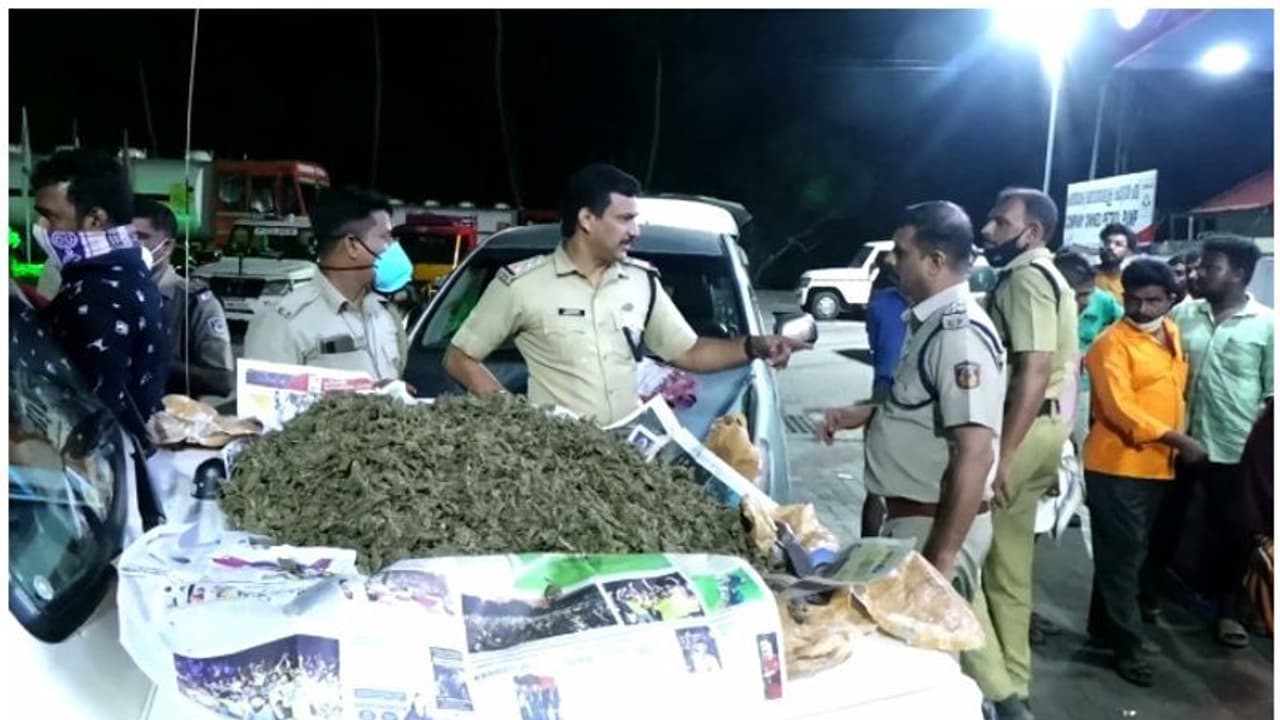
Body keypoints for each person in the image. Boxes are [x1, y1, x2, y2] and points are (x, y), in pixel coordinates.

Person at [444, 163, 808, 425]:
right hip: (555, 463)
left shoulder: (640, 282)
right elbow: (460, 358)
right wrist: (517, 419)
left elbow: (690, 352)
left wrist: (753, 347)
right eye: (624, 219)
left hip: (623, 462)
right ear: (587, 220)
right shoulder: (522, 285)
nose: (635, 231)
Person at [820, 201, 1005, 603]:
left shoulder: (960, 335)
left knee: (926, 652)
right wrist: (866, 413)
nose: (890, 259)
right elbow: (924, 406)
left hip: (932, 530)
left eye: (901, 252)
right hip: (913, 522)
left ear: (935, 261)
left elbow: (975, 453)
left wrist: (942, 557)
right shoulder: (930, 323)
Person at [966, 187, 1077, 720]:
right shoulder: (1054, 277)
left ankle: (1001, 691)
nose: (988, 231)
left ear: (1031, 233)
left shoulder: (1026, 279)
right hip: (1047, 427)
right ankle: (1016, 684)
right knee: (1012, 565)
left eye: (999, 221)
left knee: (973, 561)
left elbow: (1032, 369)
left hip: (1023, 428)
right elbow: (1066, 369)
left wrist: (1003, 455)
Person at [1142, 235, 1273, 648]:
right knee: (1163, 522)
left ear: (1237, 274)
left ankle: (1227, 610)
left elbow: (1272, 395)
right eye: (1199, 266)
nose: (1198, 274)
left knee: (1230, 532)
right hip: (1177, 441)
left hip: (1233, 448)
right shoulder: (1183, 314)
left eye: (1210, 267)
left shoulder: (1268, 325)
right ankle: (1147, 595)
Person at [1082, 258, 1198, 687]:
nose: (1143, 308)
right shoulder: (1110, 344)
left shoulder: (1171, 333)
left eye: (1154, 300)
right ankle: (1128, 649)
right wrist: (1178, 439)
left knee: (1124, 553)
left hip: (1157, 467)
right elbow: (1119, 409)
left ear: (1171, 299)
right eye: (1134, 299)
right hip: (1117, 466)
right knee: (1124, 557)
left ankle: (1103, 627)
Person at [30, 149, 170, 444]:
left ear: (95, 219)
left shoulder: (98, 294)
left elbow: (90, 420)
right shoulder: (127, 272)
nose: (43, 230)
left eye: (51, 217)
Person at [244, 186, 411, 381]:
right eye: (385, 236)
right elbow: (266, 404)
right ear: (352, 246)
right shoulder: (284, 323)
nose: (392, 245)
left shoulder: (385, 315)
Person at [133, 197, 235, 400]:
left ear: (167, 246)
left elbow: (222, 381)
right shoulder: (108, 291)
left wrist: (153, 360)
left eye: (141, 237)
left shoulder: (194, 302)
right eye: (123, 238)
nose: (130, 246)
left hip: (168, 422)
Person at [1053, 249, 1124, 448]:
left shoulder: (1103, 300)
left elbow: (1126, 325)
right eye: (1078, 295)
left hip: (1081, 386)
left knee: (1078, 442)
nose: (1084, 301)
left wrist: (1101, 347)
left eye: (1088, 294)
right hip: (1047, 385)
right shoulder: (1044, 301)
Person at [865, 251, 910, 403]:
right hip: (900, 377)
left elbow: (873, 337)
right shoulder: (909, 303)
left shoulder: (877, 303)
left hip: (885, 373)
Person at [1095, 222, 1137, 303]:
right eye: (1107, 242)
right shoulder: (1086, 275)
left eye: (1118, 244)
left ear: (1128, 252)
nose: (1110, 247)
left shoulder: (1129, 283)